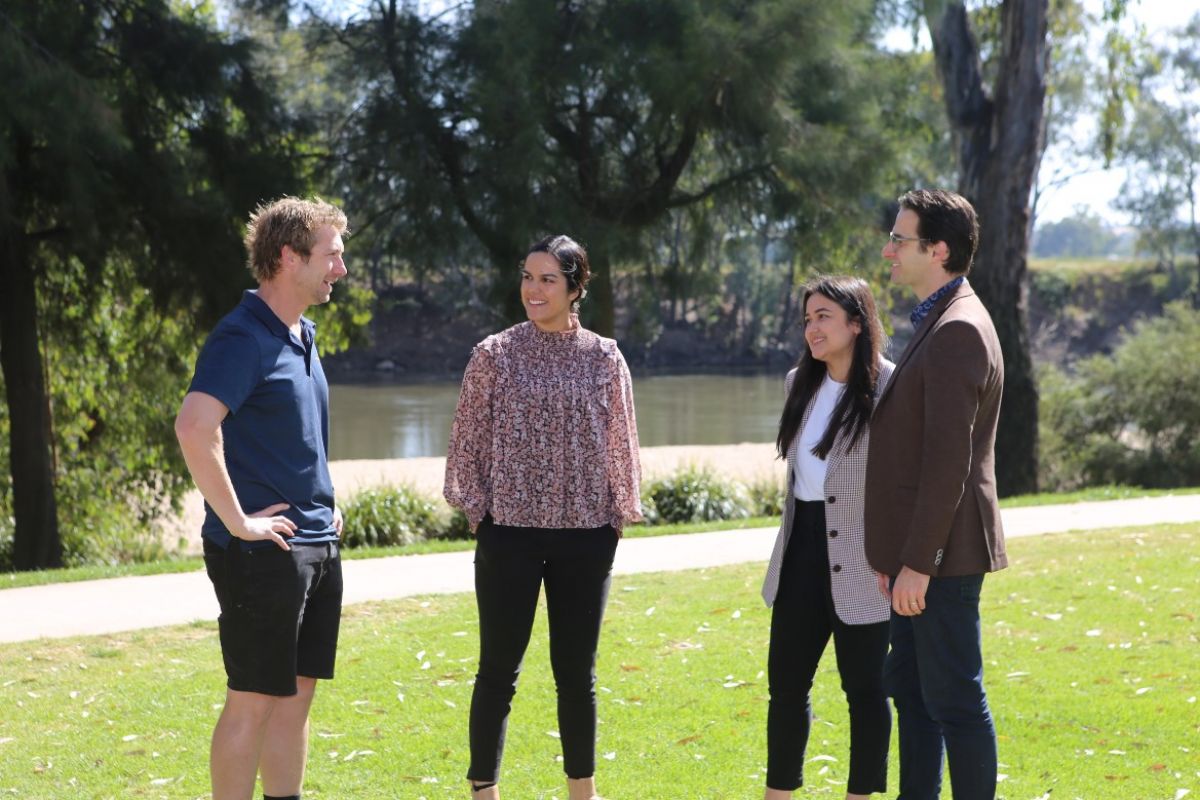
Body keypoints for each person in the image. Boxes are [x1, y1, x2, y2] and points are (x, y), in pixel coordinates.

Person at [444, 234, 642, 800]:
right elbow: (467, 442)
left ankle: (583, 791)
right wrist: (480, 513)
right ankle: (485, 790)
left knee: (577, 675)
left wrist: (617, 516)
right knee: (497, 671)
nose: (534, 289)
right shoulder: (493, 355)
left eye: (548, 278)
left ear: (576, 287)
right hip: (508, 536)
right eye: (528, 276)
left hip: (587, 537)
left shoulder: (605, 357)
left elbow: (621, 443)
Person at [175, 196, 349, 800]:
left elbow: (295, 437)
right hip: (260, 553)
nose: (340, 270)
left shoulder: (302, 334)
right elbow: (195, 428)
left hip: (313, 541)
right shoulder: (242, 337)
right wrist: (239, 522)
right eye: (330, 256)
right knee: (251, 698)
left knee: (297, 693)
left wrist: (324, 501)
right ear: (287, 257)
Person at [865, 189, 1007, 799]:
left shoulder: (957, 330)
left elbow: (947, 463)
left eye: (900, 239)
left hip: (941, 559)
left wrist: (919, 563)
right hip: (917, 559)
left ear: (938, 250)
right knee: (915, 693)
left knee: (953, 699)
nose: (889, 250)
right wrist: (898, 559)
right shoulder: (939, 318)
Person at [760, 276, 895, 800]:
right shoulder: (799, 381)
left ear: (857, 324)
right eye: (808, 318)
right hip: (800, 552)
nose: (812, 328)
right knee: (786, 687)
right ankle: (779, 793)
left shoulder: (890, 386)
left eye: (824, 317)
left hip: (865, 556)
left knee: (865, 689)